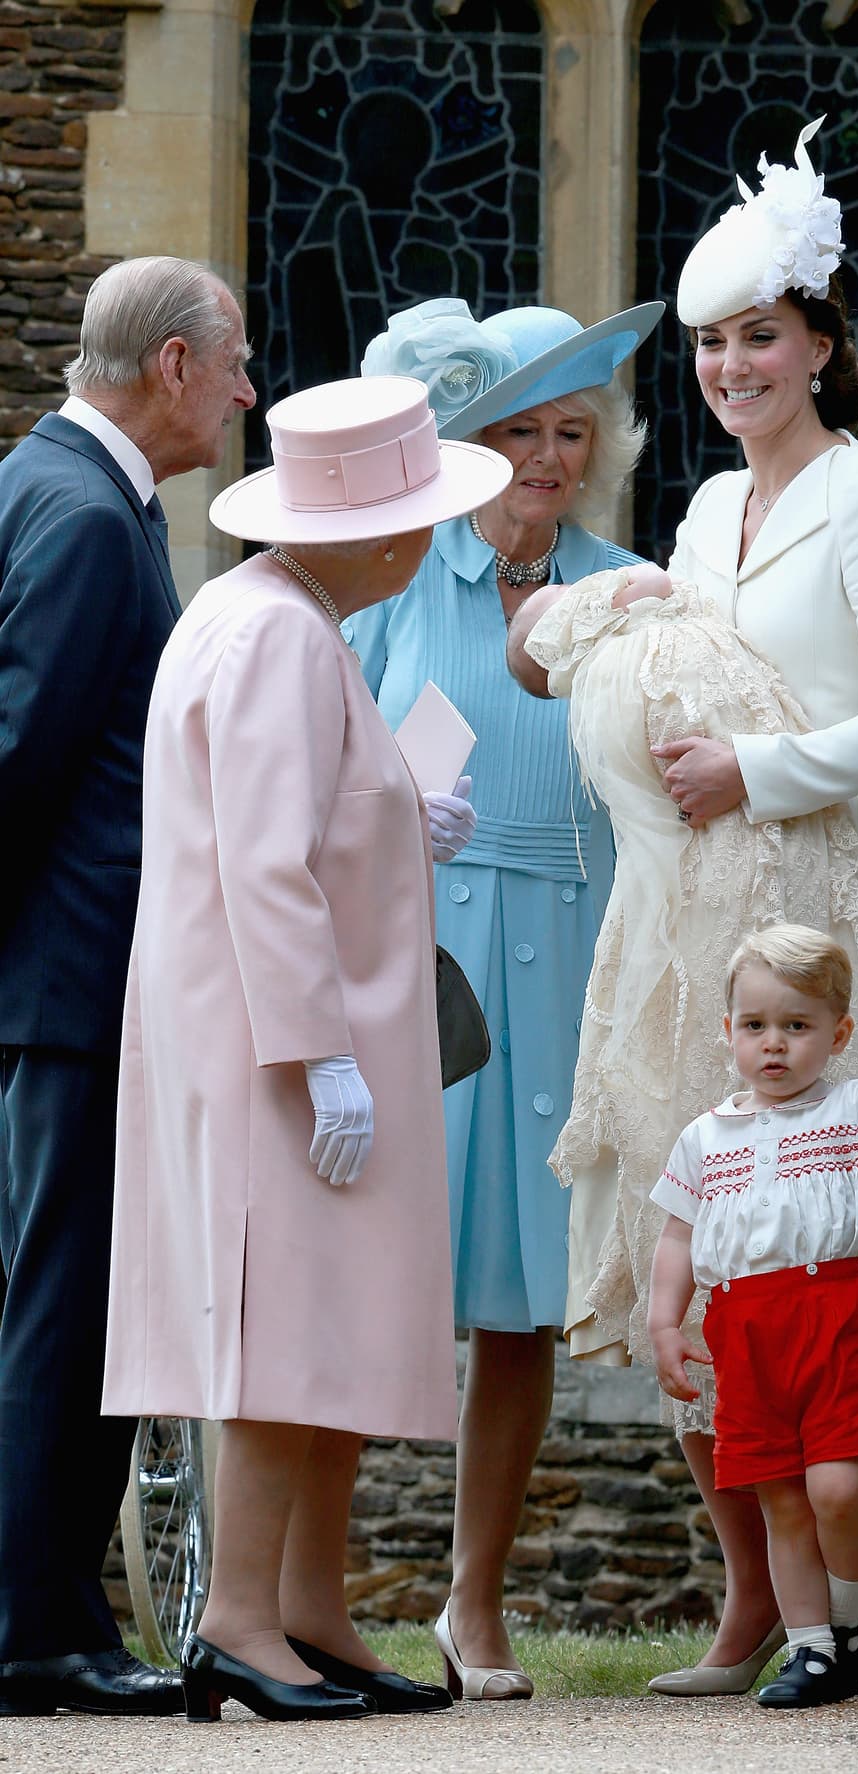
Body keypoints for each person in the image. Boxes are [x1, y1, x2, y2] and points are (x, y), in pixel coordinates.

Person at [511, 118, 858, 1694]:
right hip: (675, 911)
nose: (731, 366)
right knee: (686, 1245)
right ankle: (752, 1600)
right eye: (708, 343)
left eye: (759, 334)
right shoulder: (700, 515)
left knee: (797, 1261)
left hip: (801, 907)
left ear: (824, 341)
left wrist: (754, 771)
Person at [100, 375, 512, 1723]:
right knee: (282, 1324)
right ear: (374, 532)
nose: (426, 542)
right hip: (282, 1041)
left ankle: (309, 1605)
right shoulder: (276, 633)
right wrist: (316, 1050)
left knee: (328, 1322)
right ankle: (237, 1619)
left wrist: (403, 813)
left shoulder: (278, 617)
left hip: (301, 1029)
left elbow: (308, 815)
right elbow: (266, 867)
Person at [347, 295, 661, 1700]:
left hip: (584, 960)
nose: (546, 455)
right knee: (368, 1280)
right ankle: (309, 1588)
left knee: (523, 1309)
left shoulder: (631, 588)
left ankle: (473, 1607)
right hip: (425, 966)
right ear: (470, 441)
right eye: (520, 429)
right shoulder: (397, 583)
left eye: (571, 431)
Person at [0, 256, 254, 1717]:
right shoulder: (93, 517)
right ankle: (38, 1625)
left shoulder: (46, 482)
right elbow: (24, 754)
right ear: (169, 366)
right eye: (232, 365)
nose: (242, 393)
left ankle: (40, 1606)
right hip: (73, 983)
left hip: (58, 982)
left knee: (52, 1298)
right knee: (66, 1307)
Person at [649, 926, 858, 1709]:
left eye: (797, 1027)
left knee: (838, 1489)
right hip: (745, 1336)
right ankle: (810, 1653)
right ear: (728, 1032)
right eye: (756, 1026)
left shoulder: (857, 1110)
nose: (774, 1045)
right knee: (781, 1502)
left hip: (834, 1325)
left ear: (837, 1034)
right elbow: (677, 1235)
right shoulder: (705, 1138)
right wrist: (666, 1323)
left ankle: (850, 1620)